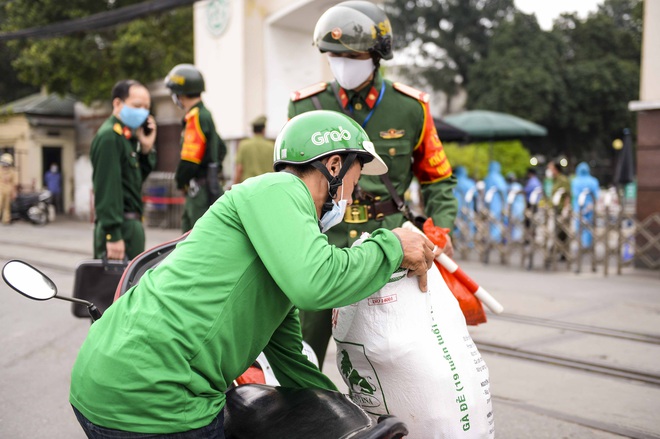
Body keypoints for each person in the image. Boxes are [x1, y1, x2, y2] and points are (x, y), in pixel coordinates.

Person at [69, 110, 440, 438]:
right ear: (333, 166)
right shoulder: (280, 188)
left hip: (105, 384)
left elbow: (292, 363)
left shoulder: (281, 259)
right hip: (156, 399)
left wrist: (351, 418)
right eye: (354, 183)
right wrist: (391, 246)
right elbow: (317, 283)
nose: (352, 196)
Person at [288, 0, 458, 366]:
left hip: (389, 243)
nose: (342, 64)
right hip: (321, 245)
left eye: (353, 55)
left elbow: (438, 180)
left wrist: (438, 232)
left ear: (377, 55)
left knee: (395, 358)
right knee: (301, 355)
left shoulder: (410, 108)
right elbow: (289, 182)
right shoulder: (306, 106)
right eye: (333, 56)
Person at [91, 80, 157, 260]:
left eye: (146, 107)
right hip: (120, 228)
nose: (143, 111)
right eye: (137, 105)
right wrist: (113, 235)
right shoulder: (109, 137)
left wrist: (146, 149)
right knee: (114, 287)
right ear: (117, 104)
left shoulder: (127, 138)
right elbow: (107, 189)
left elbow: (134, 182)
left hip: (130, 226)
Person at [165, 64, 227, 233]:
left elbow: (189, 161)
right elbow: (221, 148)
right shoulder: (206, 114)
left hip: (199, 193)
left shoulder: (195, 116)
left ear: (180, 94)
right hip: (209, 186)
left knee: (192, 238)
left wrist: (180, 181)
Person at [232, 115, 275, 185]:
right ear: (263, 130)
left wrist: (234, 186)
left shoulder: (243, 145)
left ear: (253, 130)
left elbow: (239, 169)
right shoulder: (271, 146)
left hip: (247, 188)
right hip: (266, 187)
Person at [571, 161, 600, 247]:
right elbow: (596, 195)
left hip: (578, 207)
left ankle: (580, 245)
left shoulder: (575, 181)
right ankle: (588, 245)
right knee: (589, 227)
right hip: (590, 207)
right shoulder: (593, 181)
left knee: (579, 226)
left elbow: (574, 195)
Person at [547, 160, 571, 260]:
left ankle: (560, 253)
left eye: (550, 168)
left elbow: (567, 196)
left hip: (561, 210)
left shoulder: (563, 180)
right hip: (555, 209)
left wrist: (566, 209)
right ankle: (555, 252)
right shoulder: (554, 180)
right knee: (556, 232)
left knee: (561, 233)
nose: (548, 171)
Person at [483, 161, 508, 243]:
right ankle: (495, 240)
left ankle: (490, 238)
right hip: (497, 204)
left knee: (490, 221)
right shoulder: (499, 178)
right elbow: (503, 191)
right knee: (496, 221)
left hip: (488, 204)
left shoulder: (487, 177)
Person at [0, 153, 18, 225]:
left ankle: (6, 220)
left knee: (7, 207)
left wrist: (14, 193)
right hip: (0, 190)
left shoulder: (12, 171)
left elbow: (14, 183)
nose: (5, 165)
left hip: (8, 191)